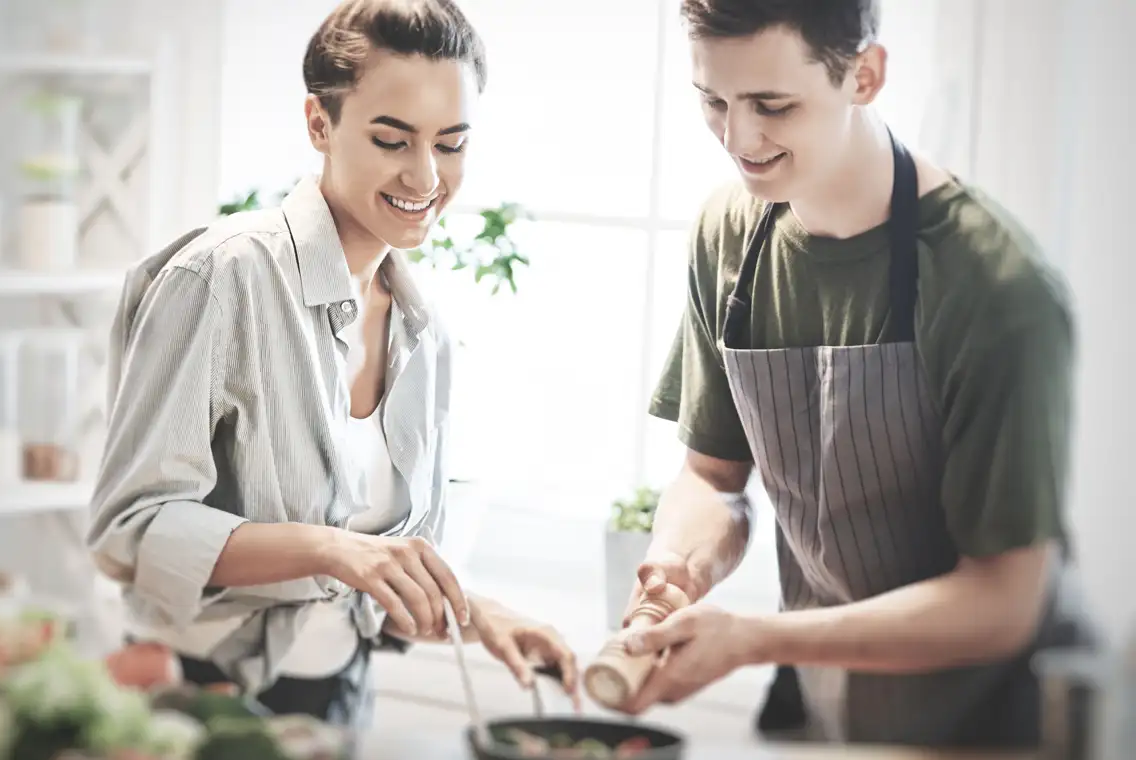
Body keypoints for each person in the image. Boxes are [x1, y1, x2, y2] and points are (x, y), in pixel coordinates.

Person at [614, 0, 1094, 748]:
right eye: (714, 100)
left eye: (772, 105)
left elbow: (1004, 600)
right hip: (825, 714)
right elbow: (712, 478)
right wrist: (679, 564)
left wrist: (758, 638)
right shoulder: (729, 235)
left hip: (987, 729)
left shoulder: (998, 290)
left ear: (864, 75)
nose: (738, 139)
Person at [85, 0, 577, 729]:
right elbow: (129, 530)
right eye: (392, 139)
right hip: (191, 698)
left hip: (337, 700)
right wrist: (333, 550)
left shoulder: (425, 331)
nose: (425, 174)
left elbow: (384, 570)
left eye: (451, 143)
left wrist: (477, 615)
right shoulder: (222, 278)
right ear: (320, 124)